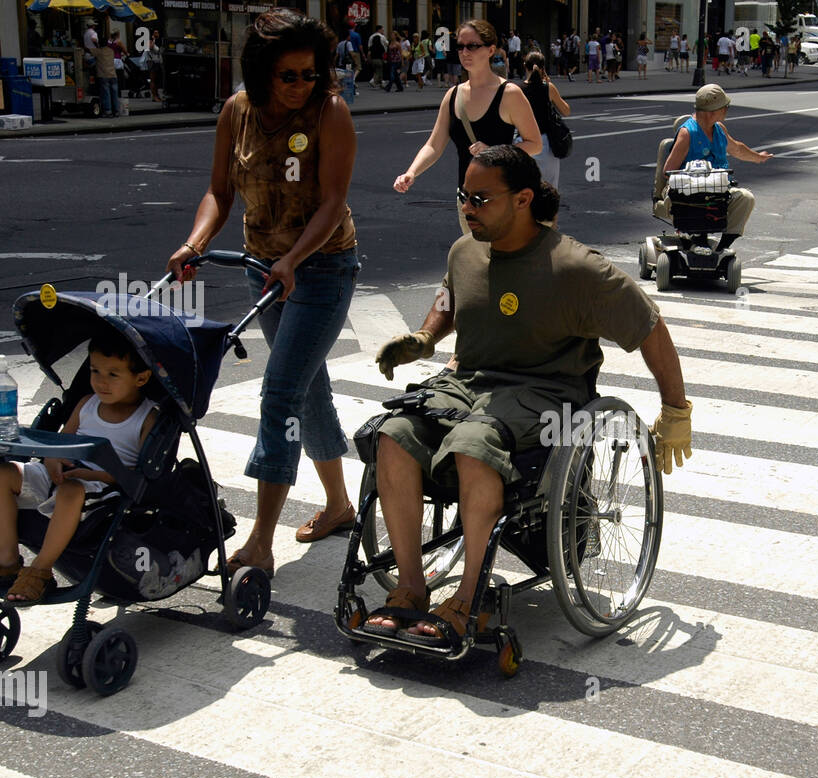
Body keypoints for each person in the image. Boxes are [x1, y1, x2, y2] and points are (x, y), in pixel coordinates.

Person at [366, 145, 690, 642]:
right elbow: (449, 298)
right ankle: (410, 587)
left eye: (479, 198)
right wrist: (425, 338)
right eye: (463, 197)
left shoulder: (576, 268)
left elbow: (649, 327)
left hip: (546, 392)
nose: (467, 209)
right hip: (469, 381)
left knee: (474, 445)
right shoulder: (465, 250)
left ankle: (470, 598)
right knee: (395, 432)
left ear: (522, 200)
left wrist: (675, 409)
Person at [166, 9, 358, 576]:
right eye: (289, 75)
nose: (302, 85)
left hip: (321, 269)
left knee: (279, 394)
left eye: (310, 73)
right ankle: (341, 506)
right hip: (262, 269)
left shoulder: (332, 113)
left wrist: (294, 259)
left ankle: (260, 542)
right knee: (308, 387)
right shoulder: (237, 112)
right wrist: (195, 241)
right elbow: (219, 192)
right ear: (262, 71)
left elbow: (332, 203)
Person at [0, 328, 159, 605]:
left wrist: (91, 474)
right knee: (1, 474)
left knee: (72, 490)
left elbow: (138, 476)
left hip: (105, 485)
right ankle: (7, 560)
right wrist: (51, 460)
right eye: (95, 371)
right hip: (64, 473)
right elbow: (61, 442)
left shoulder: (147, 417)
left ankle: (39, 571)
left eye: (113, 374)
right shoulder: (86, 403)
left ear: (141, 378)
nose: (101, 381)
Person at [394, 19, 542, 235]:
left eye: (472, 46)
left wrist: (497, 152)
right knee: (474, 262)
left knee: (503, 264)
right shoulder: (453, 95)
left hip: (502, 198)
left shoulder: (509, 93)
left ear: (491, 50)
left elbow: (535, 144)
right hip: (467, 200)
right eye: (460, 46)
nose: (465, 52)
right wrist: (411, 172)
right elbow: (434, 145)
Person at [661, 84, 772, 253]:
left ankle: (721, 248)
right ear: (712, 111)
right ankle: (698, 238)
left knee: (745, 198)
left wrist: (758, 157)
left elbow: (736, 148)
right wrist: (696, 180)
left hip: (719, 191)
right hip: (687, 193)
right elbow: (668, 171)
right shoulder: (687, 133)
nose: (727, 110)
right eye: (725, 107)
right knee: (700, 199)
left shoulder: (719, 129)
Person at [520, 51, 571, 186]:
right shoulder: (548, 88)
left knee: (525, 188)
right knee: (549, 188)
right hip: (545, 143)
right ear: (543, 69)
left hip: (522, 143)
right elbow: (566, 111)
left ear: (525, 66)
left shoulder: (517, 89)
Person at [92, 40, 120, 118]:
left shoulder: (98, 51)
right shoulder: (111, 51)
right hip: (113, 75)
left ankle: (108, 111)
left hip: (104, 75)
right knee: (114, 94)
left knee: (106, 94)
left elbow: (89, 51)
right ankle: (116, 111)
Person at [367, 24, 386, 88]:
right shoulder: (382, 37)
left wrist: (368, 58)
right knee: (379, 71)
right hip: (379, 58)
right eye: (382, 30)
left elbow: (369, 47)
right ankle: (373, 81)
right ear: (379, 30)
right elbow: (386, 45)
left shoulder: (371, 37)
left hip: (373, 57)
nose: (383, 31)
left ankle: (381, 83)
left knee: (376, 70)